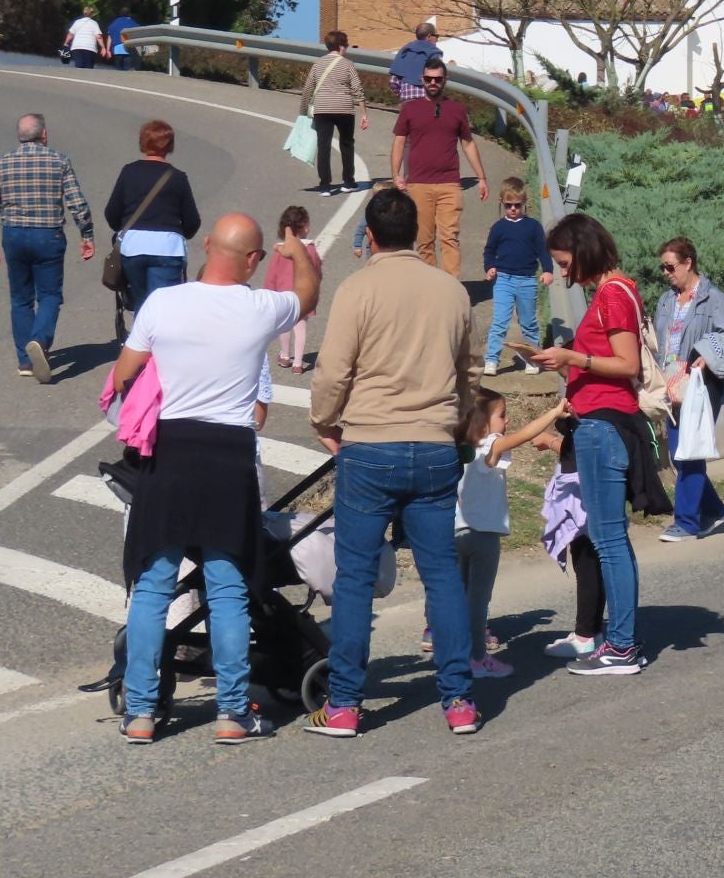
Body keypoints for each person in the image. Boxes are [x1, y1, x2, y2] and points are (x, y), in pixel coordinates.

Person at [112, 212, 319, 744]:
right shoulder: (258, 307)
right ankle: (232, 712)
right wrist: (295, 253)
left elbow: (125, 372)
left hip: (171, 451)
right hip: (228, 455)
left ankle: (139, 711)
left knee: (154, 585)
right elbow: (308, 295)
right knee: (228, 589)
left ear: (206, 246)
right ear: (253, 260)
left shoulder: (162, 302)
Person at [306, 188, 484, 736]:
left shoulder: (357, 289)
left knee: (356, 578)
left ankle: (342, 705)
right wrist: (452, 423)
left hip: (371, 444)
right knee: (442, 578)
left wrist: (324, 420)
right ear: (417, 233)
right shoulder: (452, 292)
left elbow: (334, 370)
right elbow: (468, 374)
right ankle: (459, 701)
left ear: (372, 234)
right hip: (432, 447)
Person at [528, 213, 667, 673]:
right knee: (610, 539)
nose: (563, 272)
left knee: (608, 540)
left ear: (583, 250)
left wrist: (571, 356)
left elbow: (626, 364)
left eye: (565, 262)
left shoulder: (611, 293)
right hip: (600, 424)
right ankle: (618, 640)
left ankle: (622, 646)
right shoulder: (615, 291)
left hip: (604, 427)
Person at [455, 392, 571, 680]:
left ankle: (455, 654)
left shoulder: (456, 448)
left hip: (453, 533)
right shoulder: (488, 447)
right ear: (482, 422)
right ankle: (478, 659)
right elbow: (523, 435)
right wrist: (554, 412)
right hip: (483, 537)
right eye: (502, 415)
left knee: (457, 597)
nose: (506, 421)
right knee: (478, 600)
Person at [0, 113, 96, 383]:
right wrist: (86, 233)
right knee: (50, 295)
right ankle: (40, 341)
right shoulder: (59, 161)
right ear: (44, 135)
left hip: (14, 235)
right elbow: (77, 202)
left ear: (20, 136)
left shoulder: (2, 163)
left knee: (20, 299)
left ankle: (25, 360)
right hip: (48, 235)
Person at [653, 237, 724, 541]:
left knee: (687, 452)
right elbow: (660, 341)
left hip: (702, 385)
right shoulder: (667, 300)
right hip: (672, 384)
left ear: (688, 262)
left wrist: (707, 355)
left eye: (670, 267)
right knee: (680, 453)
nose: (666, 273)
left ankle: (688, 522)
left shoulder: (713, 299)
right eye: (663, 268)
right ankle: (715, 510)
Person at [391, 57, 490, 276]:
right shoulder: (410, 109)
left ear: (445, 80)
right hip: (418, 184)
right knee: (424, 242)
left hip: (450, 184)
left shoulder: (457, 109)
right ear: (422, 79)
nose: (433, 83)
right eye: (428, 79)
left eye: (437, 79)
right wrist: (395, 174)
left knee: (450, 239)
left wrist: (481, 177)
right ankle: (430, 290)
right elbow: (399, 141)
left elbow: (468, 143)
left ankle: (452, 289)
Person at [103, 119, 201, 314]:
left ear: (142, 142)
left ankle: (140, 342)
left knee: (141, 307)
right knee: (163, 310)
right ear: (170, 145)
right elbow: (192, 221)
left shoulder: (129, 172)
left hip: (133, 247)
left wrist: (123, 228)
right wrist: (182, 231)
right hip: (167, 248)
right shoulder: (177, 177)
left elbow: (111, 213)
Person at [482, 177, 554, 376]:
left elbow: (542, 251)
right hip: (503, 279)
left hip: (527, 280)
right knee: (500, 321)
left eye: (517, 205)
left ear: (524, 204)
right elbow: (489, 251)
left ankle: (533, 359)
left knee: (528, 322)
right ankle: (491, 359)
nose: (513, 209)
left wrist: (548, 270)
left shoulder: (533, 227)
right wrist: (490, 267)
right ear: (502, 203)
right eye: (508, 205)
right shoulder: (499, 228)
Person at [299, 31, 369, 197]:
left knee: (324, 146)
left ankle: (325, 185)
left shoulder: (318, 64)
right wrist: (364, 113)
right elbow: (357, 89)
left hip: (322, 109)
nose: (346, 48)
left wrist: (302, 112)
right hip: (344, 109)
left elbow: (308, 89)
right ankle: (348, 181)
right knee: (346, 144)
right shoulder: (348, 64)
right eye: (346, 45)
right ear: (340, 46)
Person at [265, 206, 322, 373]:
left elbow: (272, 273)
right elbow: (316, 268)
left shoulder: (280, 249)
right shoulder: (309, 249)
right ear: (304, 225)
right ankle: (298, 363)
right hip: (302, 294)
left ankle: (284, 355)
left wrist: (270, 290)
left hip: (283, 294)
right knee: (301, 328)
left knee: (285, 326)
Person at [388, 20, 443, 103]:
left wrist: (402, 94)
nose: (437, 39)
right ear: (429, 37)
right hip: (426, 101)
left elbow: (393, 82)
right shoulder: (434, 53)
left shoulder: (405, 50)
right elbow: (437, 80)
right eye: (436, 36)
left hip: (406, 100)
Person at [106, 7, 139, 72]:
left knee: (118, 71)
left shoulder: (114, 23)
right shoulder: (134, 24)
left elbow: (110, 38)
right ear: (129, 14)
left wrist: (108, 50)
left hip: (117, 50)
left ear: (120, 14)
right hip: (129, 50)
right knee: (127, 71)